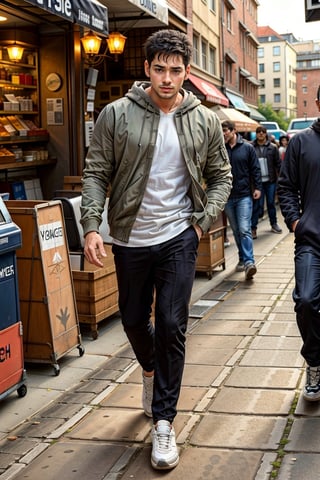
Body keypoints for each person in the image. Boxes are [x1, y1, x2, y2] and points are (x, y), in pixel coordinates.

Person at [80, 29, 232, 470]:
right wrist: (92, 225)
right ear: (147, 69)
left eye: (176, 70)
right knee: (131, 319)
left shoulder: (203, 119)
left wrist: (201, 223)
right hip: (129, 237)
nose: (168, 79)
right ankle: (150, 370)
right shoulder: (116, 114)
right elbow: (95, 171)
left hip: (178, 237)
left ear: (187, 72)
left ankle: (165, 422)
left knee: (171, 322)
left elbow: (221, 176)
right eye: (160, 69)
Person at [278, 86, 320, 402]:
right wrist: (296, 222)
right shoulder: (301, 142)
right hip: (311, 241)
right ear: (318, 103)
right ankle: (314, 362)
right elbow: (286, 187)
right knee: (306, 301)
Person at [222, 120, 262, 280]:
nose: (223, 133)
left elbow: (255, 169)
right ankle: (242, 257)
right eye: (222, 131)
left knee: (245, 229)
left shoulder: (247, 148)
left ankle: (249, 262)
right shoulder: (220, 149)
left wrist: (258, 188)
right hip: (227, 197)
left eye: (225, 130)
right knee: (237, 231)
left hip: (244, 195)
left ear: (233, 131)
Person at [251, 126, 282, 239]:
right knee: (257, 205)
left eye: (263, 132)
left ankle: (273, 224)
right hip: (257, 182)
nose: (260, 134)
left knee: (270, 203)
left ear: (266, 134)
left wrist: (281, 180)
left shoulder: (273, 148)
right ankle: (253, 228)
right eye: (258, 132)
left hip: (270, 181)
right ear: (256, 134)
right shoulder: (251, 147)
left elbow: (278, 164)